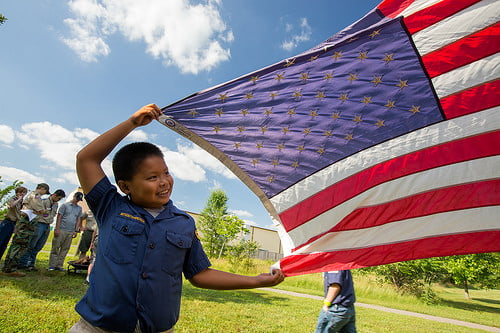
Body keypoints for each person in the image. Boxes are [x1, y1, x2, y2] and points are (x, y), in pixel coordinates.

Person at [71, 103, 284, 332]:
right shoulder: (110, 206)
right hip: (99, 326)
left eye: (166, 172)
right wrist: (132, 123)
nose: (164, 182)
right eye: (152, 177)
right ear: (125, 186)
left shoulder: (183, 223)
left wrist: (256, 281)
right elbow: (87, 159)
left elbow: (199, 274)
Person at [1, 183, 50, 277]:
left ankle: (9, 267)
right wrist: (43, 211)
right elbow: (41, 210)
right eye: (45, 192)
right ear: (42, 188)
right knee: (19, 244)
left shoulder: (33, 195)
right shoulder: (36, 195)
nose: (44, 194)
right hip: (27, 223)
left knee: (19, 244)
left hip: (27, 223)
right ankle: (10, 269)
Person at [18, 189, 66, 271]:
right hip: (39, 223)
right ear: (54, 195)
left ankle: (31, 264)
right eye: (58, 198)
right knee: (32, 244)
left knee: (39, 245)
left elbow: (53, 214)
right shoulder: (43, 201)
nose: (59, 200)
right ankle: (23, 263)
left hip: (47, 225)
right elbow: (39, 212)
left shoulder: (56, 205)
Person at [48, 192, 83, 271]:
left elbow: (78, 219)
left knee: (65, 249)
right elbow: (59, 217)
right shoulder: (65, 205)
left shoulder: (79, 208)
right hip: (62, 229)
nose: (77, 201)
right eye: (77, 198)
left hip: (70, 231)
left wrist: (76, 230)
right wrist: (57, 228)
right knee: (56, 247)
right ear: (74, 196)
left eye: (79, 200)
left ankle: (59, 265)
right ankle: (52, 265)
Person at [0, 186, 28, 260]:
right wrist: (19, 199)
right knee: (1, 240)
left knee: (4, 243)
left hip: (14, 223)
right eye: (21, 192)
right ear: (17, 192)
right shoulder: (13, 199)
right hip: (7, 222)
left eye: (24, 193)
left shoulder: (22, 203)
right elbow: (11, 205)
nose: (22, 194)